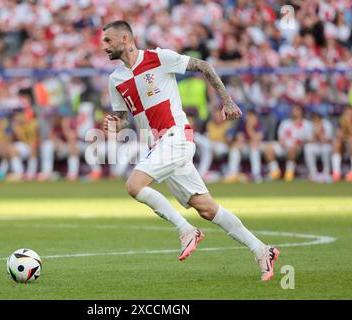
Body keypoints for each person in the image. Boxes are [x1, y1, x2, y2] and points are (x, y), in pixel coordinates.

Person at [101, 20, 279, 281]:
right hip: (158, 146)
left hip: (175, 137)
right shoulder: (115, 79)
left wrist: (227, 101)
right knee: (206, 208)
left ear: (126, 39)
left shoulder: (159, 58)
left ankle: (186, 230)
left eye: (108, 40)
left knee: (134, 185)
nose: (103, 46)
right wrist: (115, 124)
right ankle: (262, 250)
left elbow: (203, 66)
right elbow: (123, 117)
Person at [263, 105, 312, 182]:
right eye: (293, 110)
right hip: (284, 146)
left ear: (301, 112)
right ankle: (275, 171)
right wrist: (282, 143)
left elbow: (309, 139)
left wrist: (300, 144)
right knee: (268, 148)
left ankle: (289, 173)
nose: (294, 112)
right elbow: (280, 137)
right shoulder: (285, 123)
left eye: (296, 110)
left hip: (297, 147)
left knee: (292, 149)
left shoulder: (307, 124)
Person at [224, 110, 264, 183]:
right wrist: (240, 142)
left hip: (261, 146)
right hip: (247, 145)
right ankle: (233, 173)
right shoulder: (243, 124)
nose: (248, 118)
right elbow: (240, 137)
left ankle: (256, 174)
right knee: (234, 147)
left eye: (251, 116)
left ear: (255, 117)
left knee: (254, 146)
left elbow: (256, 139)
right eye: (248, 116)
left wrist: (249, 127)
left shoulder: (259, 125)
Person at [332, 106, 352, 182]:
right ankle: (336, 173)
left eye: (350, 112)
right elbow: (339, 134)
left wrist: (348, 123)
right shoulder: (342, 121)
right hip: (347, 143)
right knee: (337, 142)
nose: (349, 115)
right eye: (347, 113)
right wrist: (346, 135)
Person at [303, 112, 333, 182]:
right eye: (314, 119)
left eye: (317, 119)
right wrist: (315, 132)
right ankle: (313, 173)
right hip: (314, 145)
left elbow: (328, 141)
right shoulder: (309, 125)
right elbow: (308, 141)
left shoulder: (327, 124)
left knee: (326, 148)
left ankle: (326, 172)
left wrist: (320, 133)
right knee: (308, 148)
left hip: (325, 145)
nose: (316, 120)